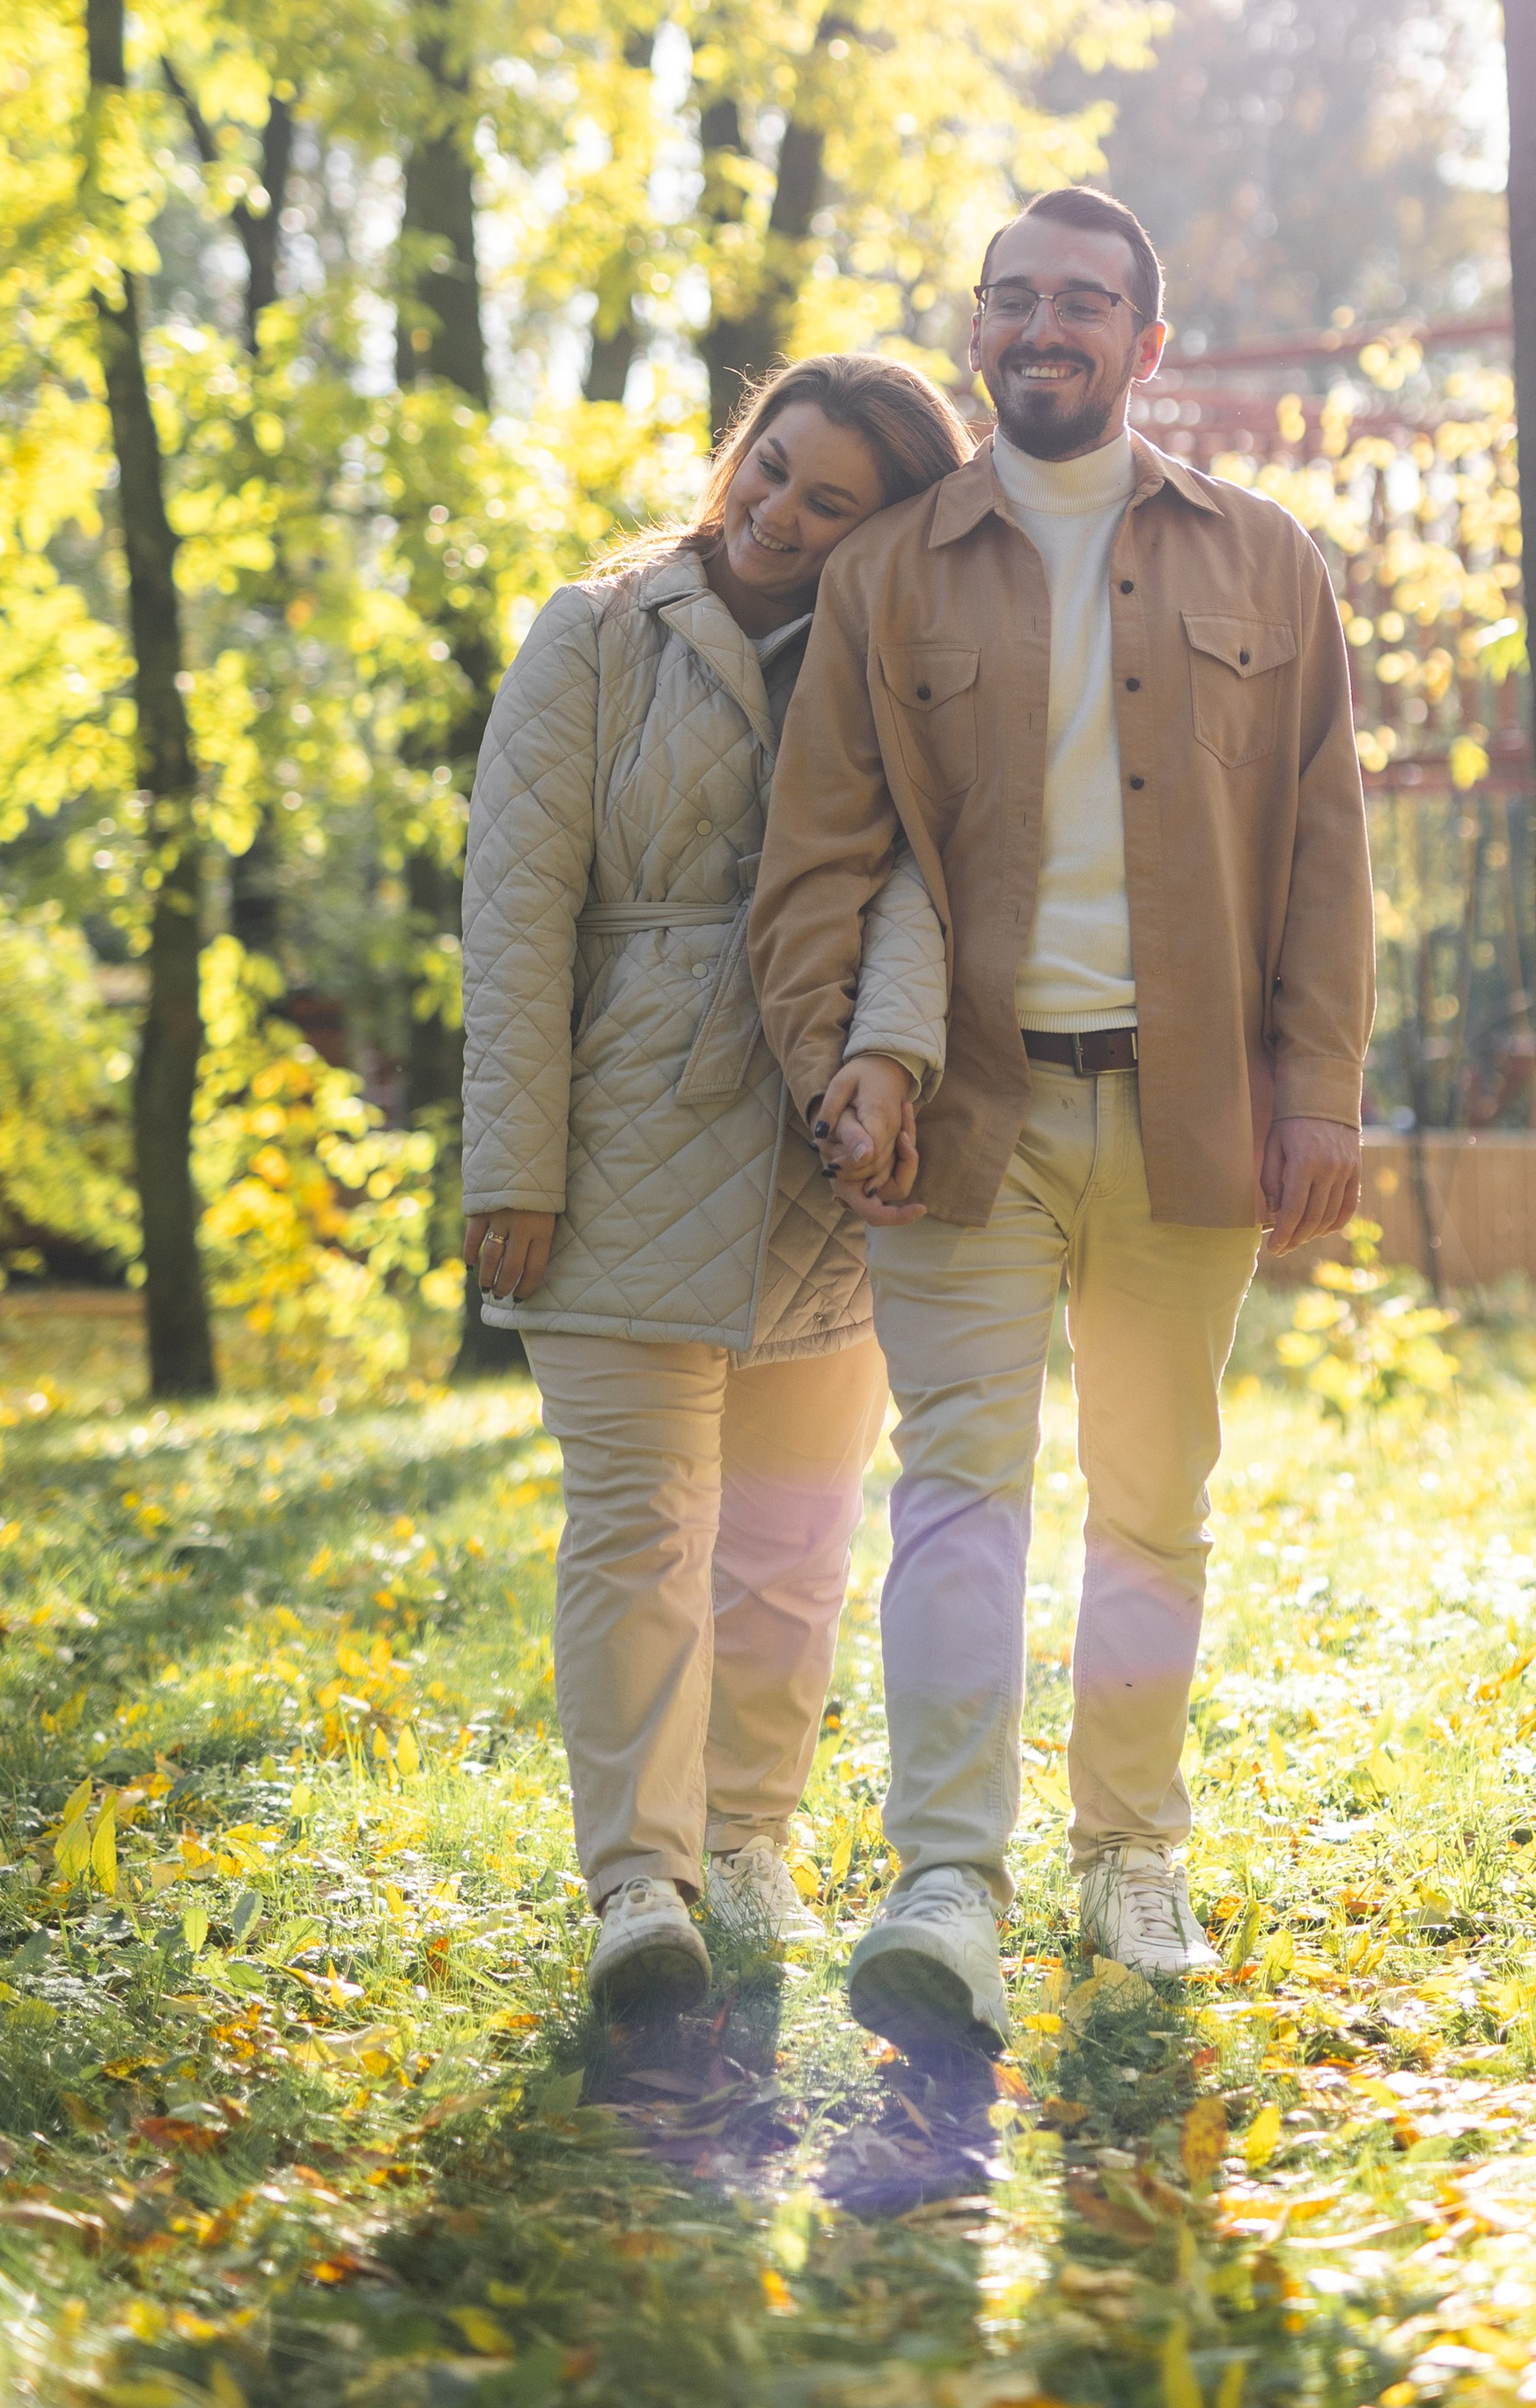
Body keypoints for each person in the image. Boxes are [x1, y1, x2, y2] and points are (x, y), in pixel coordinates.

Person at [750, 187, 1376, 2063]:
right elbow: (814, 863)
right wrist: (827, 1058)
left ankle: (1128, 1851)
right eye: (1013, 296)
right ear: (975, 330)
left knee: (1149, 1506)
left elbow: (1328, 854)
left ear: (1143, 342)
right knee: (955, 1490)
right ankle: (947, 1877)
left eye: (1083, 300)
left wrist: (1319, 1082)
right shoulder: (886, 578)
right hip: (965, 1113)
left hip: (1189, 1116)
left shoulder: (1266, 562)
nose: (1046, 325)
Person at [459, 355, 972, 2023]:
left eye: (832, 502)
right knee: (638, 1527)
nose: (778, 512)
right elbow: (518, 910)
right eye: (773, 467)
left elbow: (914, 887)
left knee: (786, 1541)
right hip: (616, 1132)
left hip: (821, 1150)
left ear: (883, 530)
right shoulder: (598, 630)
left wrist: (887, 1060)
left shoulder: (892, 665)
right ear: (737, 451)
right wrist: (511, 1162)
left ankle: (749, 1834)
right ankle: (639, 1882)